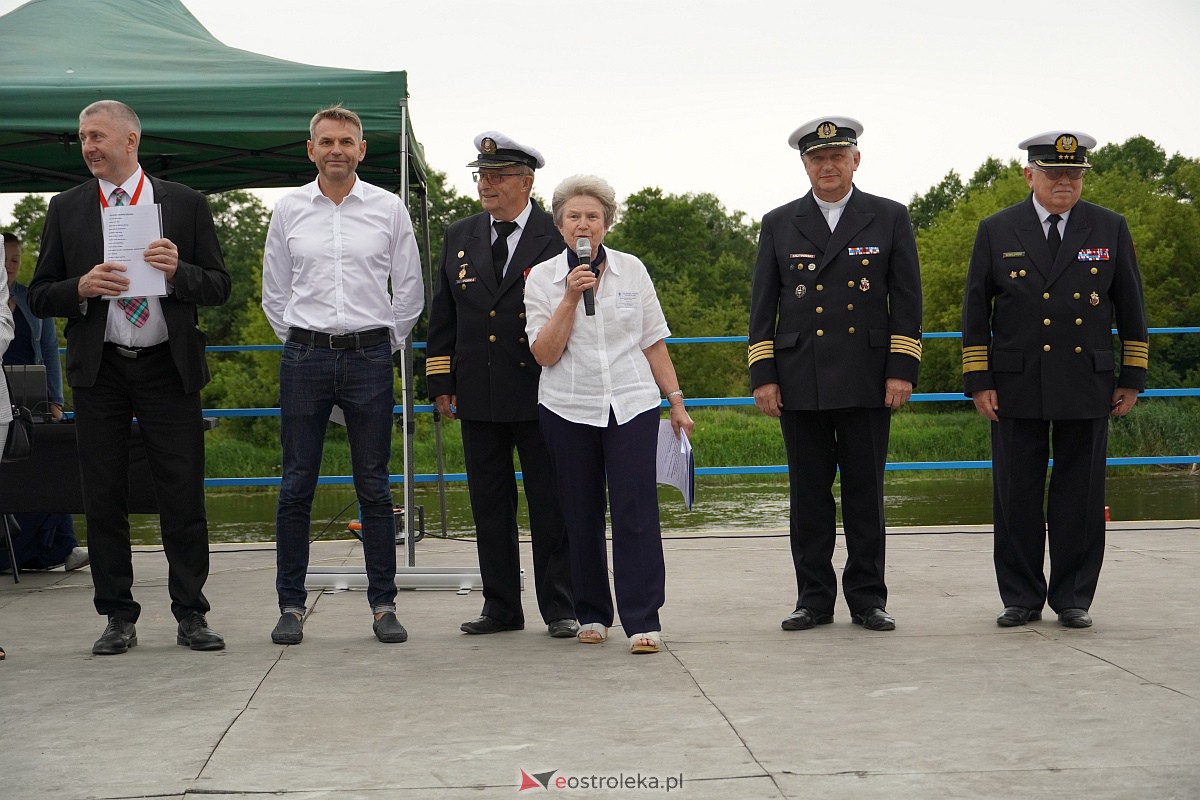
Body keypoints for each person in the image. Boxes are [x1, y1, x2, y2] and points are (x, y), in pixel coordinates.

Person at [29, 100, 231, 655]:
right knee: (103, 495)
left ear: (130, 140)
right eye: (82, 138)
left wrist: (178, 271)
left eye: (97, 136)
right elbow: (40, 293)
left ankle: (191, 612)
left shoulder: (185, 204)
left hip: (168, 366)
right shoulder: (67, 208)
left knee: (182, 494)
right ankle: (117, 615)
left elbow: (219, 285)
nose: (88, 147)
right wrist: (81, 287)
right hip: (102, 369)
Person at [962, 131, 1148, 630]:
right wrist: (979, 379)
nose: (1064, 181)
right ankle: (1020, 597)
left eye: (1074, 174)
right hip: (1015, 383)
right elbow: (976, 311)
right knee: (1015, 494)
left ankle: (1073, 597)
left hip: (1088, 382)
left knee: (1080, 496)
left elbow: (1132, 308)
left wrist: (1131, 376)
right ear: (1030, 175)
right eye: (1053, 173)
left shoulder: (1108, 228)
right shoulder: (997, 229)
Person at [748, 117, 923, 633]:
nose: (828, 166)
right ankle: (814, 599)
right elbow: (763, 307)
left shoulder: (889, 217)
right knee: (808, 497)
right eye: (817, 159)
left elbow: (907, 301)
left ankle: (868, 599)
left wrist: (902, 369)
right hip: (801, 378)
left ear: (855, 161)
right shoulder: (780, 222)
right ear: (805, 165)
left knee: (865, 496)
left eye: (837, 157)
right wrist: (764, 375)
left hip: (869, 378)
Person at [262, 105, 424, 646]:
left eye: (346, 141)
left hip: (370, 357)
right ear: (311, 150)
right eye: (326, 141)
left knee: (374, 487)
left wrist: (380, 345)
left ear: (361, 150)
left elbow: (409, 290)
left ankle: (383, 605)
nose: (337, 149)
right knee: (296, 485)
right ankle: (290, 604)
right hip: (304, 356)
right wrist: (304, 341)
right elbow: (275, 293)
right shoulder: (288, 209)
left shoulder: (388, 208)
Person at [524, 174, 694, 655]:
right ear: (559, 225)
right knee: (578, 512)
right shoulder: (541, 278)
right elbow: (544, 353)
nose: (583, 224)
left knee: (635, 509)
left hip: (632, 401)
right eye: (573, 216)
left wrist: (675, 400)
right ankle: (592, 613)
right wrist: (570, 297)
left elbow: (652, 340)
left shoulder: (632, 270)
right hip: (568, 405)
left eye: (592, 216)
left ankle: (644, 619)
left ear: (607, 223)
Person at [425, 132, 576, 638]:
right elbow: (443, 314)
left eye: (498, 175)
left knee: (550, 503)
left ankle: (560, 606)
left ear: (526, 181)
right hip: (478, 390)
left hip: (543, 390)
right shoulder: (460, 235)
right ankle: (501, 607)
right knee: (489, 504)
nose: (486, 185)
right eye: (481, 175)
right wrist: (441, 379)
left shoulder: (557, 238)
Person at [2, 231, 87, 574]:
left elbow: (50, 352)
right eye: (3, 259)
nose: (9, 266)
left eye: (15, 260)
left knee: (48, 464)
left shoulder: (30, 300)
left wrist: (55, 400)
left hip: (31, 396)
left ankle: (61, 547)